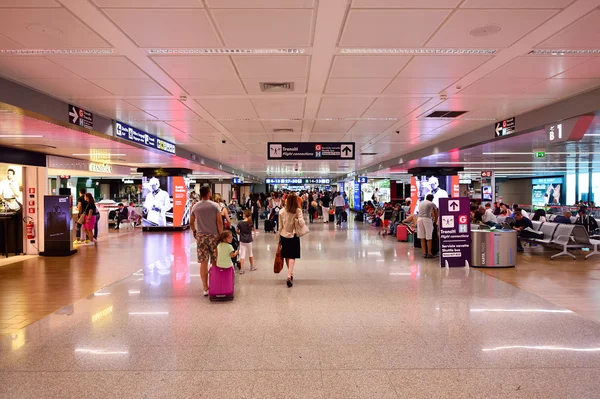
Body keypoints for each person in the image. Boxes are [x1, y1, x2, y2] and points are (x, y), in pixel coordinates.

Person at [190, 186, 223, 297]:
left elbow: (191, 222)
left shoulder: (195, 206)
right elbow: (219, 222)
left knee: (203, 262)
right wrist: (221, 235)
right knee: (215, 260)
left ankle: (205, 287)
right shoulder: (215, 206)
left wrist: (195, 231)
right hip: (214, 237)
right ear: (209, 193)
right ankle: (214, 284)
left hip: (201, 237)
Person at [278, 193, 305, 288]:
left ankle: (290, 273)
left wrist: (279, 238)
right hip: (294, 235)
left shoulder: (281, 211)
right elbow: (302, 224)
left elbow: (280, 227)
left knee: (286, 255)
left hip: (284, 235)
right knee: (292, 256)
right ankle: (289, 275)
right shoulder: (298, 211)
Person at [236, 209, 256, 274]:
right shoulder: (250, 223)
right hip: (249, 240)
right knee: (250, 253)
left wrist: (240, 234)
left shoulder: (240, 223)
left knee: (242, 254)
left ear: (244, 215)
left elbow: (236, 230)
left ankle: (242, 269)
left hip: (242, 240)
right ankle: (252, 266)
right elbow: (252, 230)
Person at [417, 194, 437, 258]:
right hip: (427, 219)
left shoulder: (421, 203)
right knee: (429, 237)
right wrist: (435, 221)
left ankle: (424, 253)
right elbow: (436, 213)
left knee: (422, 237)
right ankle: (429, 253)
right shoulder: (432, 204)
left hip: (419, 219)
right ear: (432, 199)